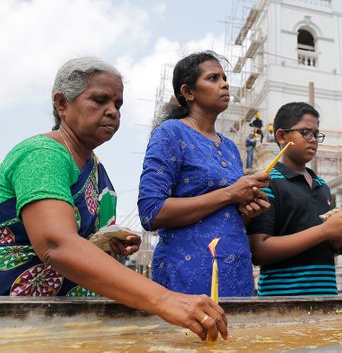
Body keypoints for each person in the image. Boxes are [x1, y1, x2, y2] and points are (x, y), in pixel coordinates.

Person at [0, 57, 227, 341]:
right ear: (61, 103)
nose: (112, 112)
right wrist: (164, 299)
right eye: (99, 100)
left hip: (70, 324)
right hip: (17, 323)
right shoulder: (43, 155)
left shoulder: (96, 170)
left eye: (117, 105)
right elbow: (56, 244)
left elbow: (76, 241)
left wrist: (105, 241)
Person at [138, 51, 270, 298]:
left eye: (224, 77)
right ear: (188, 92)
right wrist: (230, 193)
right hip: (187, 276)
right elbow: (150, 212)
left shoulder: (230, 147)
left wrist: (248, 212)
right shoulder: (171, 133)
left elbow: (224, 215)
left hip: (235, 271)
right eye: (213, 78)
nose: (224, 84)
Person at [247, 102, 342, 296]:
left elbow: (328, 248)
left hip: (327, 297)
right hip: (283, 304)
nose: (313, 140)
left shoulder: (322, 185)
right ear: (281, 136)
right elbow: (258, 251)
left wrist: (338, 237)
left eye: (316, 134)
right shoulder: (268, 182)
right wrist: (324, 231)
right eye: (305, 132)